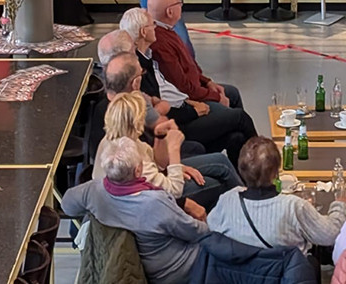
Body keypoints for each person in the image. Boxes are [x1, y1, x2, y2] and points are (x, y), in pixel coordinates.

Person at [121, 6, 258, 166]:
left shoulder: (148, 56)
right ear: (144, 32)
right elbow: (160, 110)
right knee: (240, 117)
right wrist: (193, 110)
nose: (156, 28)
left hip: (184, 108)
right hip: (179, 125)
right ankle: (263, 163)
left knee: (237, 137)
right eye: (153, 25)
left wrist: (191, 101)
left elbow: (168, 91)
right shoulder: (139, 68)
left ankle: (248, 178)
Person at [63, 136, 209, 284]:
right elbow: (196, 232)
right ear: (138, 170)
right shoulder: (154, 203)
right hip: (171, 270)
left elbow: (67, 206)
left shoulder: (94, 190)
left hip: (126, 267)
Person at [208, 137, 346, 279]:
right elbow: (330, 235)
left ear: (240, 169)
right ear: (275, 172)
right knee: (312, 260)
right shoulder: (293, 206)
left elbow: (210, 229)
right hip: (283, 276)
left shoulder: (227, 200)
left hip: (238, 276)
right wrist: (340, 206)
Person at [93, 91, 242, 213]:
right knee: (217, 184)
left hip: (157, 181)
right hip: (159, 200)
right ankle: (244, 210)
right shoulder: (130, 156)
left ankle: (245, 204)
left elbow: (159, 164)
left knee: (220, 161)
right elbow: (173, 191)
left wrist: (160, 137)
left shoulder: (117, 138)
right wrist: (174, 150)